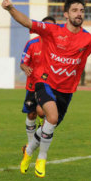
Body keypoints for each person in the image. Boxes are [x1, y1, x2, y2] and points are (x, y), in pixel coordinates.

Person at [2, 0, 91, 178]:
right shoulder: (52, 30)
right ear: (66, 14)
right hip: (45, 82)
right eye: (74, 10)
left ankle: (28, 153)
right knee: (52, 116)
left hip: (66, 90)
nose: (79, 13)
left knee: (47, 127)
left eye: (81, 10)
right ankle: (42, 158)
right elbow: (27, 22)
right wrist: (10, 8)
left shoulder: (89, 39)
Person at [20, 16, 56, 150]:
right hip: (32, 84)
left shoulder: (58, 46)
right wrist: (25, 67)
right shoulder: (32, 44)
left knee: (41, 112)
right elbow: (23, 63)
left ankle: (41, 129)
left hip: (48, 84)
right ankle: (30, 143)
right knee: (31, 114)